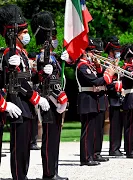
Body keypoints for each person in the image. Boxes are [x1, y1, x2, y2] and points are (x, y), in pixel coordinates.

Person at [0, 4, 50, 179]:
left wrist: (42, 73)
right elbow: (17, 81)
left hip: (26, 104)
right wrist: (36, 98)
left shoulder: (22, 54)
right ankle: (19, 176)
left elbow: (29, 79)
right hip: (18, 101)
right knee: (19, 147)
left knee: (25, 147)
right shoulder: (9, 53)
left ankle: (23, 175)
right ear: (14, 35)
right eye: (23, 32)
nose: (26, 35)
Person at [31, 11, 69, 180]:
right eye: (52, 36)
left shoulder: (52, 57)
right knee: (49, 139)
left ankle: (53, 170)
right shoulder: (42, 57)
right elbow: (47, 81)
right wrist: (58, 97)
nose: (55, 39)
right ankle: (48, 173)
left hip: (55, 102)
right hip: (48, 101)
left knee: (55, 138)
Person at [71, 38, 115, 166]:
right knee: (88, 130)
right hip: (87, 100)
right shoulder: (82, 66)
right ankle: (85, 157)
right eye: (92, 52)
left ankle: (92, 154)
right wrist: (108, 76)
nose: (94, 55)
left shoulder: (90, 65)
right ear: (86, 52)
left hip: (93, 100)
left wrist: (99, 68)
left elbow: (98, 77)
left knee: (95, 130)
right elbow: (95, 81)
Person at [102, 36, 125, 156]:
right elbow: (107, 81)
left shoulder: (114, 63)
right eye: (116, 51)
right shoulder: (106, 62)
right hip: (111, 95)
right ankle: (113, 148)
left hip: (118, 95)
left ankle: (117, 147)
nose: (118, 53)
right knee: (115, 124)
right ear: (111, 51)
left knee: (118, 123)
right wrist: (117, 85)